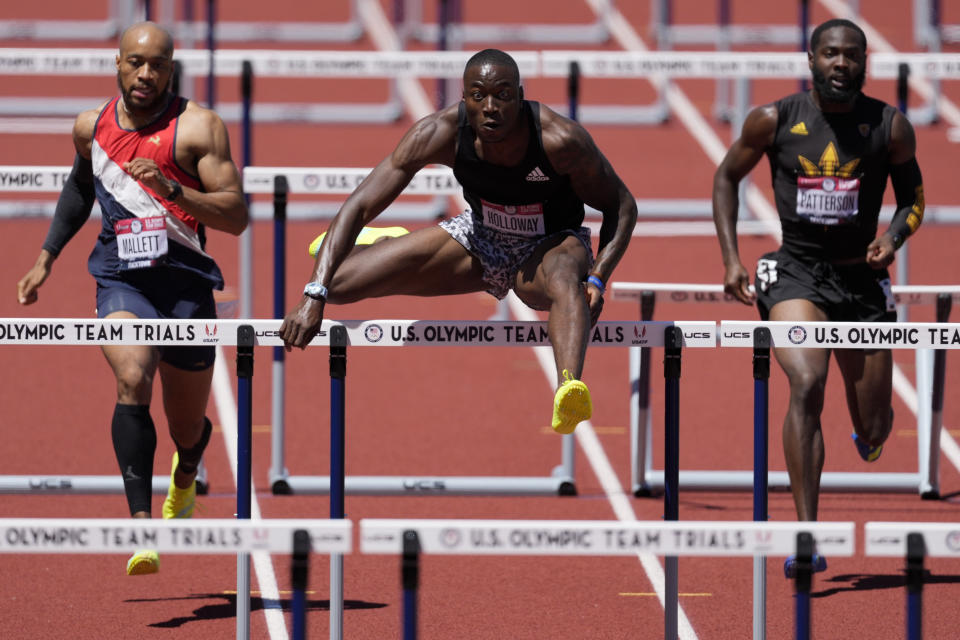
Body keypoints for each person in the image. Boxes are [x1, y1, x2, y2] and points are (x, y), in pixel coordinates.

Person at [280, 48, 637, 434]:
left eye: (502, 94)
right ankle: (382, 245)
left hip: (549, 246)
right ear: (463, 97)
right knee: (339, 285)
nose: (490, 107)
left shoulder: (559, 140)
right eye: (478, 95)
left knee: (566, 280)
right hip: (479, 238)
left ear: (520, 95)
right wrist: (313, 293)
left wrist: (599, 277)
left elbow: (622, 207)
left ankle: (569, 386)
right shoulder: (440, 132)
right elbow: (361, 203)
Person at [16, 22, 248, 575]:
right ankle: (142, 527)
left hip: (186, 285)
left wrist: (172, 190)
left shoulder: (199, 129)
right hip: (122, 279)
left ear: (173, 68)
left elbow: (236, 214)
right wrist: (47, 256)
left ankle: (186, 473)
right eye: (136, 63)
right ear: (118, 63)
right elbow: (78, 187)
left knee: (186, 427)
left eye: (158, 65)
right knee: (132, 374)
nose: (146, 74)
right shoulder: (89, 127)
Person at [712, 19, 924, 577]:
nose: (840, 63)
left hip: (861, 280)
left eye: (851, 55)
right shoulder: (775, 119)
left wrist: (893, 237)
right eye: (830, 53)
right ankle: (806, 535)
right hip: (796, 272)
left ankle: (870, 428)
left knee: (876, 428)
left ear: (863, 63)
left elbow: (914, 203)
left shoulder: (890, 127)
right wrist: (733, 258)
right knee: (806, 382)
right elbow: (725, 177)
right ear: (811, 59)